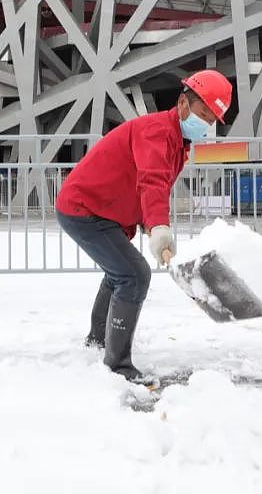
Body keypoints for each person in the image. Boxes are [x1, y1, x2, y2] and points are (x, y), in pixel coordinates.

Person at [55, 70, 233, 381]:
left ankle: (99, 342)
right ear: (182, 105)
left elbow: (147, 185)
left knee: (121, 273)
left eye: (212, 119)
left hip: (103, 212)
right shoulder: (157, 132)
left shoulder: (178, 140)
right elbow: (152, 182)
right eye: (203, 114)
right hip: (84, 209)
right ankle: (118, 365)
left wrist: (151, 226)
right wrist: (159, 227)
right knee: (134, 274)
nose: (206, 124)